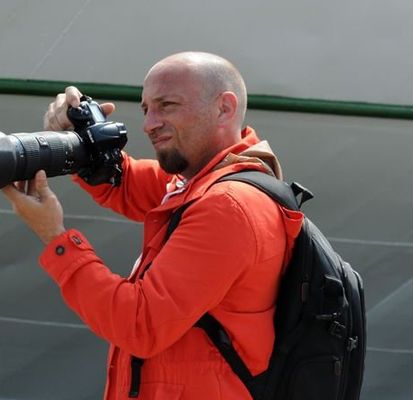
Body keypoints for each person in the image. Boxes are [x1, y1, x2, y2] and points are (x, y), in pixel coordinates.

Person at [2, 52, 303, 399]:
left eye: (167, 105)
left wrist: (55, 238)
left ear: (224, 108)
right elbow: (124, 182)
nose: (148, 124)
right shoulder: (201, 183)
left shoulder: (228, 204)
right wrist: (79, 139)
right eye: (146, 109)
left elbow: (139, 324)